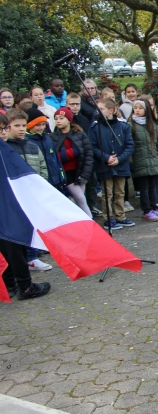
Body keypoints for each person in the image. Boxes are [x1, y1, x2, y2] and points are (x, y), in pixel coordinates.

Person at [0, 112, 52, 300]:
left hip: (11, 205)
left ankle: (11, 285)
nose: (4, 133)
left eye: (4, 128)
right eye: (1, 129)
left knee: (9, 248)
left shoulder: (5, 150)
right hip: (7, 208)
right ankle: (24, 286)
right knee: (13, 248)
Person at [89, 98, 136, 230]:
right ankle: (108, 218)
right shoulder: (95, 128)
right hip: (105, 166)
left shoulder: (124, 127)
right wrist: (106, 157)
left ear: (111, 110)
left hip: (121, 165)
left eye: (101, 109)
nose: (98, 111)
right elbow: (93, 147)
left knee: (120, 192)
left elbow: (130, 146)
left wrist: (119, 159)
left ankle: (120, 216)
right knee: (107, 193)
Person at [50, 107, 93, 217]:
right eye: (56, 118)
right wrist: (74, 152)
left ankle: (82, 223)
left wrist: (85, 174)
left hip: (80, 171)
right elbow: (55, 156)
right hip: (66, 174)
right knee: (80, 199)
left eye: (61, 118)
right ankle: (91, 221)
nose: (58, 120)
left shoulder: (80, 134)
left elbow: (88, 155)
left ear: (69, 119)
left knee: (79, 199)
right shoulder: (53, 137)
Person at [128, 100, 158, 222]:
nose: (137, 110)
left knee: (153, 186)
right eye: (135, 108)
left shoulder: (153, 125)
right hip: (140, 160)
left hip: (153, 160)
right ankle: (147, 209)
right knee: (144, 187)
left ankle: (155, 206)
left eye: (140, 108)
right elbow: (129, 145)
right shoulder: (130, 125)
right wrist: (131, 161)